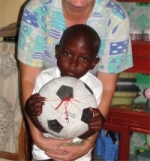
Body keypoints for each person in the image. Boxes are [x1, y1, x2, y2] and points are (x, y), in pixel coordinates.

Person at [18, 0, 133, 161]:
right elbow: (28, 81)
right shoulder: (36, 12)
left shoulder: (115, 18)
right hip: (44, 112)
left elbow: (107, 88)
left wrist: (88, 142)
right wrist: (37, 136)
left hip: (84, 112)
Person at [25, 24, 103, 161]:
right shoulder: (44, 79)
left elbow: (84, 134)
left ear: (93, 63)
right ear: (57, 51)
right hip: (44, 155)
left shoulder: (94, 87)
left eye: (83, 58)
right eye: (67, 53)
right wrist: (31, 111)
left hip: (77, 157)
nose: (73, 63)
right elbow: (42, 128)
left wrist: (95, 126)